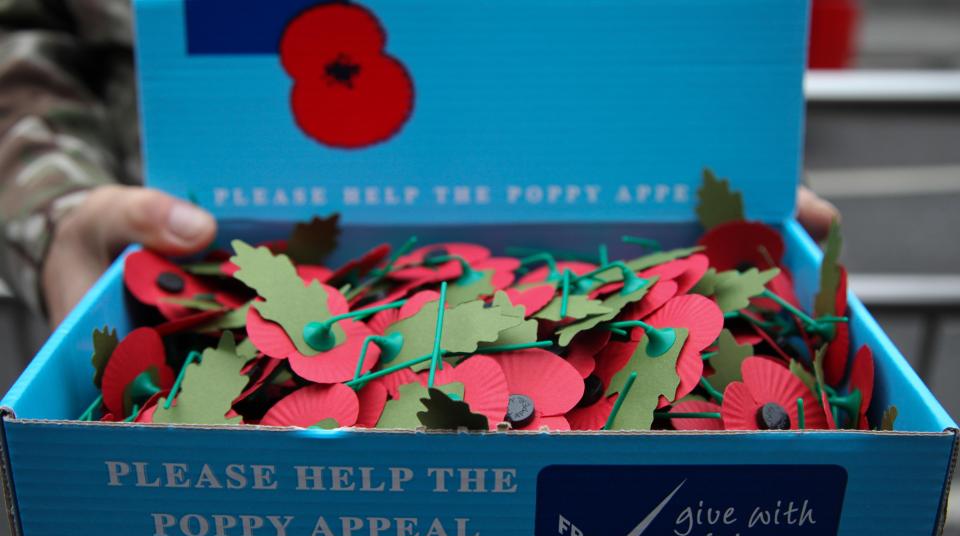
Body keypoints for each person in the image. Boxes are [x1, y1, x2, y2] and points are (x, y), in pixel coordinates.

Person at [0, 1, 840, 328]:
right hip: (188, 283)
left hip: (642, 272)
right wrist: (56, 207)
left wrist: (730, 151)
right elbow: (26, 36)